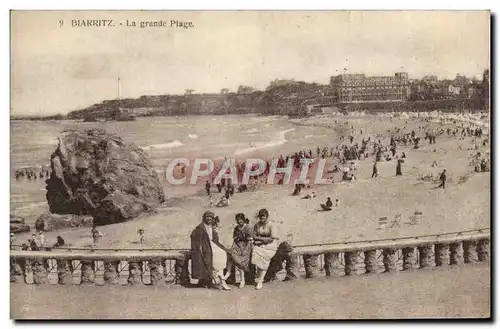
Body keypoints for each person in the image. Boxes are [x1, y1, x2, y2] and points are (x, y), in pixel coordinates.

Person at [190, 211, 230, 290]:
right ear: (204, 218)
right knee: (211, 256)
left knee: (223, 253)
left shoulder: (212, 227)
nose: (209, 219)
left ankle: (221, 277)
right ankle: (217, 279)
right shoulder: (200, 228)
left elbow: (215, 240)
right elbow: (195, 238)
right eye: (207, 217)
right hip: (205, 246)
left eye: (210, 217)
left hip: (212, 245)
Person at [224, 213, 253, 289]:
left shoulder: (248, 227)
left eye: (240, 219)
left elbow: (250, 239)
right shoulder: (237, 228)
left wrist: (241, 240)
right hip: (237, 245)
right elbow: (235, 237)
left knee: (238, 260)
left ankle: (242, 280)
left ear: (243, 219)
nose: (239, 221)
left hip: (246, 247)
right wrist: (236, 239)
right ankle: (229, 271)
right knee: (229, 253)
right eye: (238, 220)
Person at [252, 209, 278, 290]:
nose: (262, 217)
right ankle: (258, 277)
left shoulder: (271, 225)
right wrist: (260, 240)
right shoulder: (257, 225)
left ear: (267, 216)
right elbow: (254, 236)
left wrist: (260, 239)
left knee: (265, 259)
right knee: (255, 252)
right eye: (260, 216)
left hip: (270, 246)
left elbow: (272, 238)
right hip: (260, 244)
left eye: (263, 216)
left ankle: (260, 280)